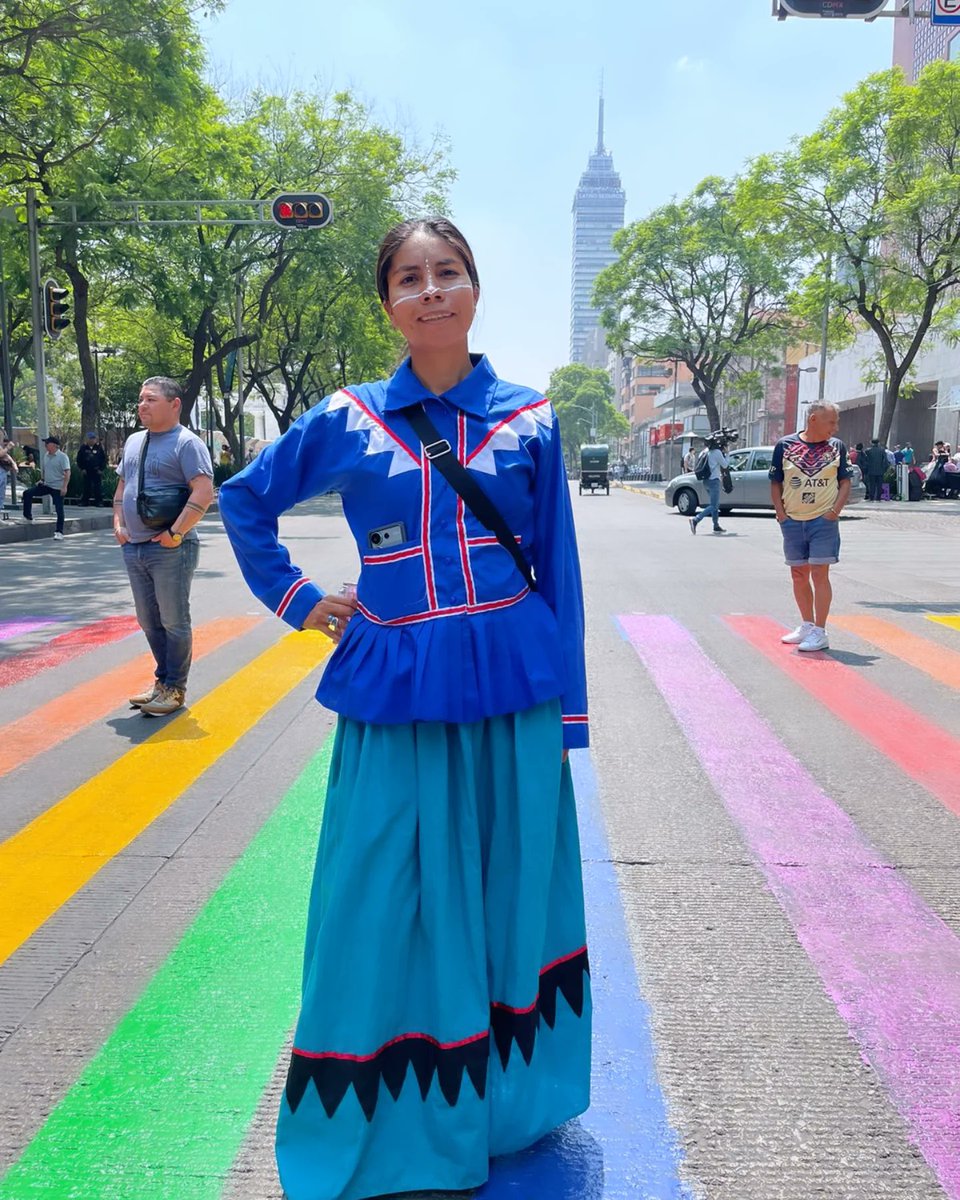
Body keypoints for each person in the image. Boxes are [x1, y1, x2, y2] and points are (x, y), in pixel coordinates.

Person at [218, 217, 591, 1200]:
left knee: (510, 887)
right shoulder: (346, 418)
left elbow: (560, 571)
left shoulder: (533, 420)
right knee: (376, 891)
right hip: (394, 687)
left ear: (476, 288)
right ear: (386, 303)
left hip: (512, 691)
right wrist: (300, 600)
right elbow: (244, 500)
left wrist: (572, 717)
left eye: (449, 272)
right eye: (410, 278)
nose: (431, 291)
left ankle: (510, 1102)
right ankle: (389, 1113)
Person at [114, 377, 214, 716]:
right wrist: (119, 523)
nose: (142, 405)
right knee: (148, 619)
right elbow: (122, 488)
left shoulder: (187, 443)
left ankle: (175, 688)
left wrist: (175, 533)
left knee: (174, 619)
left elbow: (203, 492)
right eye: (141, 399)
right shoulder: (133, 442)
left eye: (151, 400)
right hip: (135, 546)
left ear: (174, 405)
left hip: (171, 547)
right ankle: (162, 681)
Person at [770, 401, 852, 653]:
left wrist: (834, 512)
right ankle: (806, 624)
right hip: (793, 520)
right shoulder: (785, 445)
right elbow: (776, 482)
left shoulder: (836, 448)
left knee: (819, 573)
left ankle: (820, 630)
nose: (835, 428)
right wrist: (781, 513)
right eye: (831, 422)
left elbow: (845, 481)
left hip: (822, 520)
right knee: (798, 574)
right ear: (813, 419)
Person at [22, 435, 70, 539]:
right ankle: (28, 517)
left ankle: (59, 532)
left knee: (59, 508)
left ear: (54, 445)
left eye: (47, 443)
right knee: (27, 493)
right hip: (47, 485)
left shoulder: (62, 457)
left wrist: (64, 487)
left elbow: (67, 472)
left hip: (58, 487)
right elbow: (44, 470)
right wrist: (42, 480)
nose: (45, 445)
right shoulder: (46, 456)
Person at [689, 436, 728, 534]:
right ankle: (695, 520)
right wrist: (727, 454)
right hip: (714, 481)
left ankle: (716, 525)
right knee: (714, 505)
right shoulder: (717, 453)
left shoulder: (705, 452)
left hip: (706, 481)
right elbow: (725, 465)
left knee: (715, 504)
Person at [77, 431, 107, 507]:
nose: (92, 440)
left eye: (93, 438)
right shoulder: (83, 448)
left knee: (98, 487)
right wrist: (82, 468)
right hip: (87, 471)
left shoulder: (99, 448)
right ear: (87, 439)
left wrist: (101, 469)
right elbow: (79, 459)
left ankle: (99, 502)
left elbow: (104, 459)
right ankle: (85, 501)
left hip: (97, 471)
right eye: (90, 439)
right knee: (86, 487)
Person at [861, 438, 887, 502]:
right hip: (880, 471)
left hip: (871, 471)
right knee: (879, 485)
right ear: (878, 443)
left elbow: (865, 461)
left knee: (871, 485)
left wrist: (866, 469)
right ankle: (878, 498)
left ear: (871, 443)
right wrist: (884, 469)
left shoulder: (868, 451)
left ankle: (871, 497)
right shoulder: (882, 450)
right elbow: (885, 461)